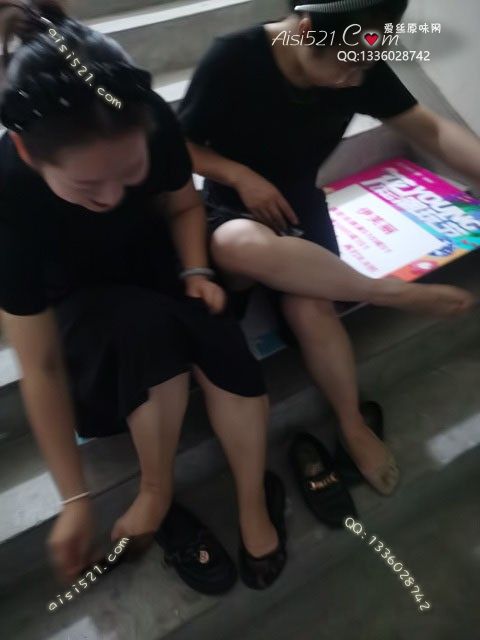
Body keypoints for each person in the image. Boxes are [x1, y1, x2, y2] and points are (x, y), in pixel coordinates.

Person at [0, 0, 287, 593]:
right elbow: (40, 365)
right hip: (80, 297)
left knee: (215, 330)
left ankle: (252, 497)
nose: (111, 197)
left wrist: (195, 270)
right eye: (87, 184)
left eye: (128, 173)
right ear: (28, 153)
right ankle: (156, 489)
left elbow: (182, 205)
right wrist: (75, 498)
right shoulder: (8, 193)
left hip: (154, 258)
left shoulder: (147, 116)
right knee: (142, 329)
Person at [179, 0, 478, 498]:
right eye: (345, 66)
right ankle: (383, 291)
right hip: (231, 201)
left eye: (366, 64)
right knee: (236, 243)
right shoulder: (234, 58)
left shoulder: (359, 55)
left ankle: (351, 422)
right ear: (306, 30)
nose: (356, 80)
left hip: (297, 199)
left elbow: (430, 128)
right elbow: (180, 145)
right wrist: (240, 175)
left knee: (310, 303)